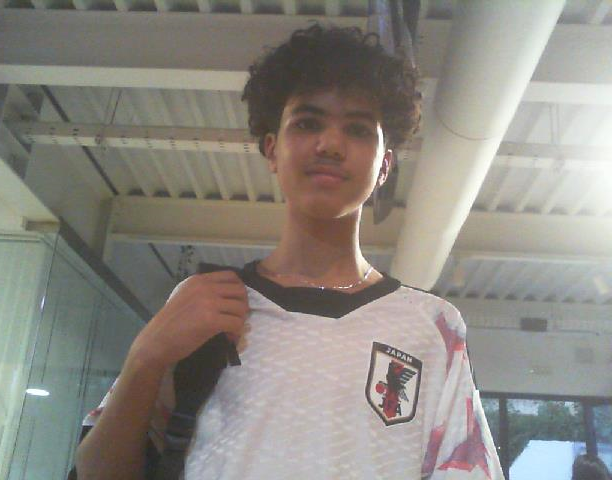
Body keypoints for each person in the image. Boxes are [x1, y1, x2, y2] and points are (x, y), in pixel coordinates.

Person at [74, 24, 503, 479]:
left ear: (385, 166)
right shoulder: (205, 304)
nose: (330, 144)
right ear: (272, 150)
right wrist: (145, 358)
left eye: (358, 130)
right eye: (307, 123)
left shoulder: (432, 328)